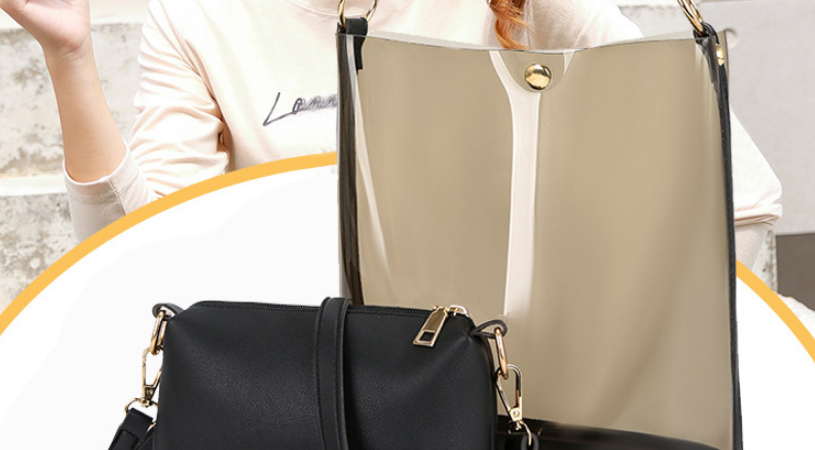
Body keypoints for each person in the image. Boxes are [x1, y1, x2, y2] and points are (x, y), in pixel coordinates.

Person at [0, 0, 781, 266]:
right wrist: (69, 59)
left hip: (498, 388)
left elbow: (738, 194)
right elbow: (146, 257)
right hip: (301, 386)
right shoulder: (200, 14)